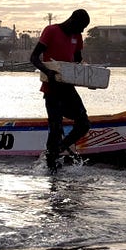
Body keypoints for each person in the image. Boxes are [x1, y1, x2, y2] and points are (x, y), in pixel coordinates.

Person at [30, 9, 91, 168]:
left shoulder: (77, 36)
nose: (82, 31)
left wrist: (88, 78)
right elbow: (34, 57)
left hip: (68, 89)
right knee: (55, 129)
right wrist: (47, 71)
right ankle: (51, 168)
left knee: (84, 123)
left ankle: (57, 150)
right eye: (81, 27)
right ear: (72, 21)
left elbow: (78, 62)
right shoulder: (51, 31)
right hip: (52, 90)